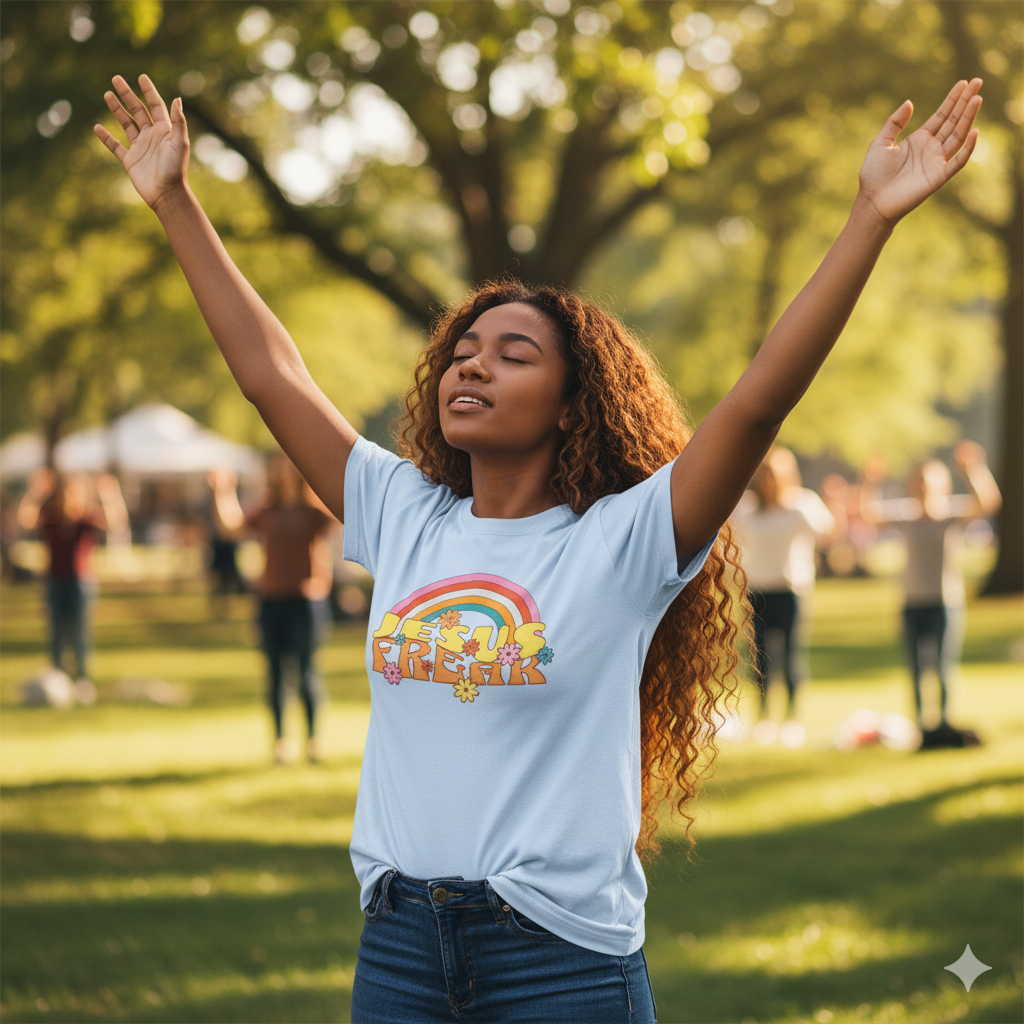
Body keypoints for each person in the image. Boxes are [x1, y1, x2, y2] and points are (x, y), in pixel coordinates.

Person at [96, 71, 982, 1022]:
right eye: (463, 350)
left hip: (557, 963)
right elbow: (273, 377)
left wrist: (870, 219)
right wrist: (179, 203)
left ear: (571, 408)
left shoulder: (624, 541)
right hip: (398, 950)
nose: (473, 361)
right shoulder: (404, 514)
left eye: (514, 353)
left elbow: (760, 398)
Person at [860, 442, 1000, 736]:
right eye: (919, 481)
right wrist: (871, 480)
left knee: (942, 667)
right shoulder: (905, 515)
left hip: (944, 603)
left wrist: (973, 469)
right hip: (912, 603)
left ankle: (944, 722)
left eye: (929, 481)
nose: (923, 486)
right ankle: (922, 726)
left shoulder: (951, 513)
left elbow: (988, 502)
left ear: (942, 484)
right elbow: (868, 514)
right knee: (915, 668)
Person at [211, 458, 334, 764]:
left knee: (307, 673)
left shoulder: (314, 511)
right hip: (271, 602)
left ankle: (313, 740)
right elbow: (230, 528)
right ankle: (281, 742)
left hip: (306, 602)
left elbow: (347, 516)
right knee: (276, 675)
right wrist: (223, 491)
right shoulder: (267, 512)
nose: (283, 469)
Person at [732, 446, 836, 746]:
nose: (769, 481)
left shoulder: (801, 505)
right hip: (757, 591)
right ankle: (764, 717)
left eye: (774, 475)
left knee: (790, 655)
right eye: (764, 474)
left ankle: (792, 719)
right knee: (759, 657)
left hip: (791, 590)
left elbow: (828, 532)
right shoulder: (748, 508)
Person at [17, 468, 129, 698]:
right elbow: (24, 519)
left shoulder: (87, 517)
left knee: (79, 632)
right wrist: (35, 492)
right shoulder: (51, 516)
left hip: (81, 581)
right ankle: (58, 678)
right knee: (56, 631)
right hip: (55, 581)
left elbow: (116, 522)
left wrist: (109, 494)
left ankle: (82, 679)